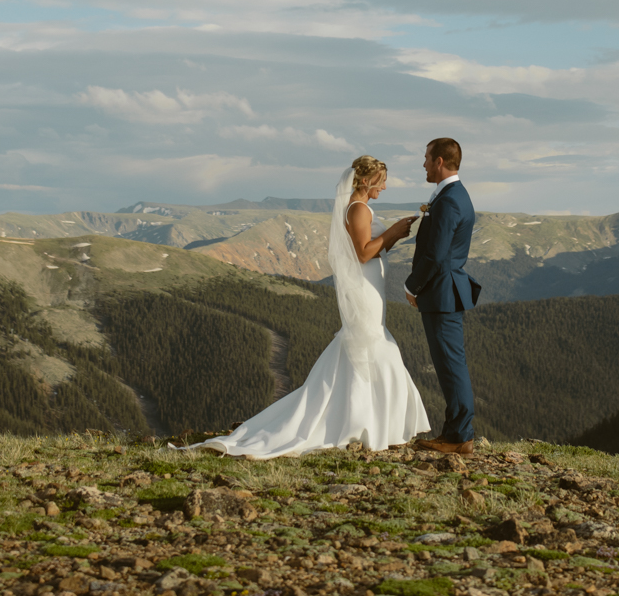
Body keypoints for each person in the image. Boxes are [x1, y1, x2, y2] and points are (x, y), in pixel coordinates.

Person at [183, 156, 429, 459]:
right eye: (382, 181)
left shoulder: (359, 208)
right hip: (364, 289)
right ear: (365, 181)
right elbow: (364, 253)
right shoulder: (358, 209)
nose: (385, 186)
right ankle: (369, 423)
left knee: (368, 346)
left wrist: (395, 236)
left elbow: (367, 251)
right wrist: (392, 232)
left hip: (369, 286)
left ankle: (369, 422)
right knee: (372, 345)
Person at [405, 137, 482, 455]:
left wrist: (413, 286)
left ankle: (459, 436)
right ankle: (454, 432)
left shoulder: (449, 200)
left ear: (439, 161)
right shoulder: (452, 195)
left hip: (442, 293)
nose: (423, 163)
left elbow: (437, 256)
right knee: (449, 364)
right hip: (445, 292)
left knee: (451, 365)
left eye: (426, 158)